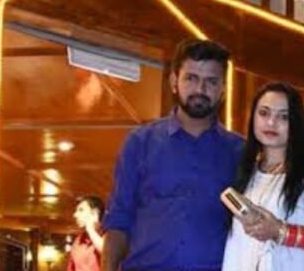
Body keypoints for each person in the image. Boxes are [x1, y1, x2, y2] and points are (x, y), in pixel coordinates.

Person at [101, 39, 243, 271]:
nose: (200, 89)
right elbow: (119, 219)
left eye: (212, 81)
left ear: (223, 89)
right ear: (174, 81)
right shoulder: (140, 143)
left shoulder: (240, 152)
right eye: (191, 78)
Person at [222, 82, 304, 270]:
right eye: (264, 113)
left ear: (296, 123)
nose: (271, 122)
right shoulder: (246, 174)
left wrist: (280, 231)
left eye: (283, 117)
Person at [68, 196, 106, 271]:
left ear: (94, 213)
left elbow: (108, 253)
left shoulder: (109, 234)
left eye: (81, 210)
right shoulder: (78, 241)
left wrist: (90, 229)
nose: (75, 215)